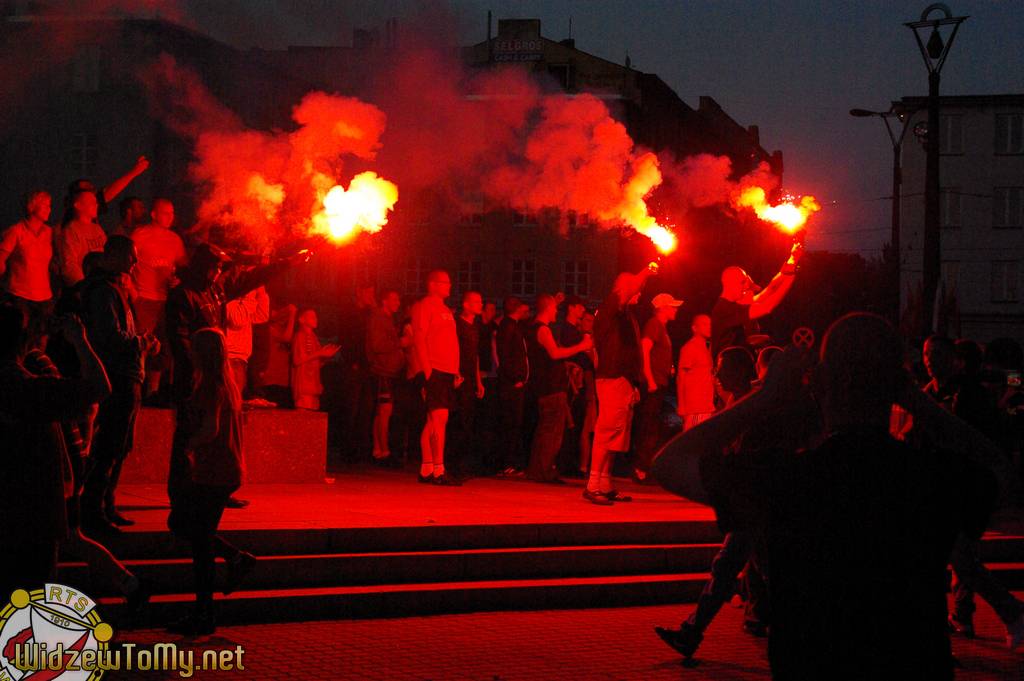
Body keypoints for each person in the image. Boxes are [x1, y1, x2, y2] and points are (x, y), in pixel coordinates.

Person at [654, 313, 1008, 679]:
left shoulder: (790, 478)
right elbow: (1000, 470)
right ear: (896, 385)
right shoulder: (929, 476)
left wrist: (764, 395)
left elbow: (670, 464)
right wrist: (917, 401)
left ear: (820, 384)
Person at [917, 335, 1023, 645]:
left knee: (958, 555)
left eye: (936, 353)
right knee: (959, 555)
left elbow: (967, 443)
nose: (928, 359)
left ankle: (1010, 611)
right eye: (926, 354)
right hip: (942, 488)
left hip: (965, 489)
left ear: (953, 358)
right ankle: (965, 615)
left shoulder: (967, 394)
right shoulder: (930, 393)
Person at [0, 306, 110, 596]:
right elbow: (99, 387)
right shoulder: (26, 389)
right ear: (22, 341)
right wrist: (80, 340)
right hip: (32, 519)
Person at [167, 328, 256, 636]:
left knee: (192, 534)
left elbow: (210, 428)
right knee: (193, 530)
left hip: (213, 472)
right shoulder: (228, 384)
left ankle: (204, 613)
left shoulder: (208, 387)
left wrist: (188, 445)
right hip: (225, 471)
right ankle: (234, 560)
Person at [79, 236, 155, 534]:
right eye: (131, 257)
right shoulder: (103, 293)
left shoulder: (114, 290)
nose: (134, 263)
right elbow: (109, 337)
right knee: (109, 445)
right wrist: (142, 343)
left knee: (120, 445)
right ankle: (93, 511)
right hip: (117, 377)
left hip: (127, 375)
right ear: (114, 256)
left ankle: (106, 506)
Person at [585, 265, 655, 505]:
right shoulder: (609, 309)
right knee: (607, 431)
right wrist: (645, 272)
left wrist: (634, 384)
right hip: (612, 378)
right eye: (637, 287)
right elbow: (625, 293)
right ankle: (593, 485)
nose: (640, 291)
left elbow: (630, 353)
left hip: (623, 380)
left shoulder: (627, 317)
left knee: (617, 435)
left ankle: (605, 483)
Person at [525, 293, 592, 483]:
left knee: (545, 430)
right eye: (554, 308)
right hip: (551, 387)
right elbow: (554, 354)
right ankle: (544, 471)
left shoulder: (534, 328)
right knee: (552, 432)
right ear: (547, 309)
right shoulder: (543, 330)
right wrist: (582, 346)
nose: (557, 311)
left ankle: (538, 470)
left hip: (543, 386)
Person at [131, 198, 186, 401]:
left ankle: (152, 391)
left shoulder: (175, 240)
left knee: (164, 347)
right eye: (165, 213)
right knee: (141, 346)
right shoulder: (140, 235)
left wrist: (177, 279)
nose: (169, 217)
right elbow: (127, 264)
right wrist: (132, 293)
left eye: (172, 213)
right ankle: (134, 389)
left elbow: (182, 267)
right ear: (154, 214)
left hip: (165, 300)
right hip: (144, 299)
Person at [711, 242, 803, 358]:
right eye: (742, 282)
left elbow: (769, 290)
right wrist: (791, 276)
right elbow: (767, 307)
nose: (746, 286)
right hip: (728, 371)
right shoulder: (725, 310)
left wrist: (792, 259)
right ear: (730, 284)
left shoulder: (733, 305)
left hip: (734, 367)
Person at [412, 270, 461, 485]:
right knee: (438, 418)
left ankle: (427, 468)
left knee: (435, 421)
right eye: (444, 282)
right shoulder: (425, 306)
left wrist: (455, 370)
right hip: (435, 370)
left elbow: (449, 341)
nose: (449, 286)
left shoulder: (444, 309)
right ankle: (439, 470)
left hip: (447, 372)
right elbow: (419, 338)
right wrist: (427, 371)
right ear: (432, 284)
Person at [633, 292, 683, 483]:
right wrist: (650, 379)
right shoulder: (654, 324)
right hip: (652, 384)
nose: (676, 310)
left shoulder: (661, 327)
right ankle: (640, 469)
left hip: (658, 382)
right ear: (662, 308)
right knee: (648, 427)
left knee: (652, 426)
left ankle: (644, 468)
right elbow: (644, 349)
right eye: (672, 306)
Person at [0, 190, 54, 326]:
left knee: (41, 338)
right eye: (45, 205)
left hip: (44, 297)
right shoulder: (16, 231)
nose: (49, 209)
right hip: (20, 297)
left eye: (50, 205)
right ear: (32, 206)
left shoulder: (48, 232)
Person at [367, 290, 406, 465]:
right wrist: (400, 343)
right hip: (383, 371)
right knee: (384, 412)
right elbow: (377, 345)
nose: (398, 302)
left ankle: (378, 449)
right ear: (385, 301)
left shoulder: (386, 319)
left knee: (382, 412)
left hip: (387, 370)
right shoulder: (379, 318)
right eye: (394, 299)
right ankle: (384, 451)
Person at [560, 296, 595, 477]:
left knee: (578, 424)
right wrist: (583, 348)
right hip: (572, 383)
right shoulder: (567, 331)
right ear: (572, 308)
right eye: (580, 307)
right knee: (571, 424)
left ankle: (571, 463)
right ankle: (565, 464)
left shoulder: (574, 331)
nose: (583, 310)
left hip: (579, 384)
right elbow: (568, 355)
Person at [496, 297, 531, 476]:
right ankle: (506, 463)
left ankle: (512, 462)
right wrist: (514, 378)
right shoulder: (508, 327)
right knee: (510, 423)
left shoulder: (513, 325)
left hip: (516, 383)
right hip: (512, 384)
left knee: (515, 423)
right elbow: (505, 355)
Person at [452, 290, 485, 477]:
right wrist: (456, 372)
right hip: (460, 377)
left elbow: (475, 355)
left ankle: (462, 464)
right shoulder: (458, 325)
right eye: (477, 301)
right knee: (460, 420)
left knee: (469, 420)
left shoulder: (474, 327)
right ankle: (454, 464)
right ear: (466, 304)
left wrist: (479, 381)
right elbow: (454, 349)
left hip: (471, 378)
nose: (480, 304)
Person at [226, 286, 270, 398]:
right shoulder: (230, 301)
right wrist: (250, 292)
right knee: (231, 399)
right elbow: (237, 320)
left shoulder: (244, 304)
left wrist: (261, 292)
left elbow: (262, 316)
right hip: (231, 358)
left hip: (240, 358)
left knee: (235, 399)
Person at [291, 309, 340, 410]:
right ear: (302, 319)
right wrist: (320, 353)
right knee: (303, 414)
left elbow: (315, 362)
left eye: (316, 317)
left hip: (313, 384)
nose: (315, 319)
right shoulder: (300, 336)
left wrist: (326, 357)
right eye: (312, 317)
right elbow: (297, 360)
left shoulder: (314, 338)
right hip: (304, 384)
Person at [677, 314, 715, 431]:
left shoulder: (705, 347)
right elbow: (681, 377)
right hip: (696, 407)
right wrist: (682, 406)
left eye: (710, 324)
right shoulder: (690, 347)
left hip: (706, 406)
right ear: (694, 328)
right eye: (704, 324)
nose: (708, 327)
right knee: (693, 444)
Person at [257, 303, 297, 407]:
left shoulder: (284, 330)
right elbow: (286, 337)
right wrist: (292, 315)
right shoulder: (271, 329)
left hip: (282, 380)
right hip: (271, 379)